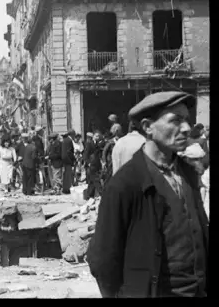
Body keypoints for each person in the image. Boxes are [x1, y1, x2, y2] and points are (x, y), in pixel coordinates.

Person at [88, 91, 208, 298]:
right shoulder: (124, 184)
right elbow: (103, 259)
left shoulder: (188, 173)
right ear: (147, 127)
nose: (187, 128)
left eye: (186, 120)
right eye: (175, 121)